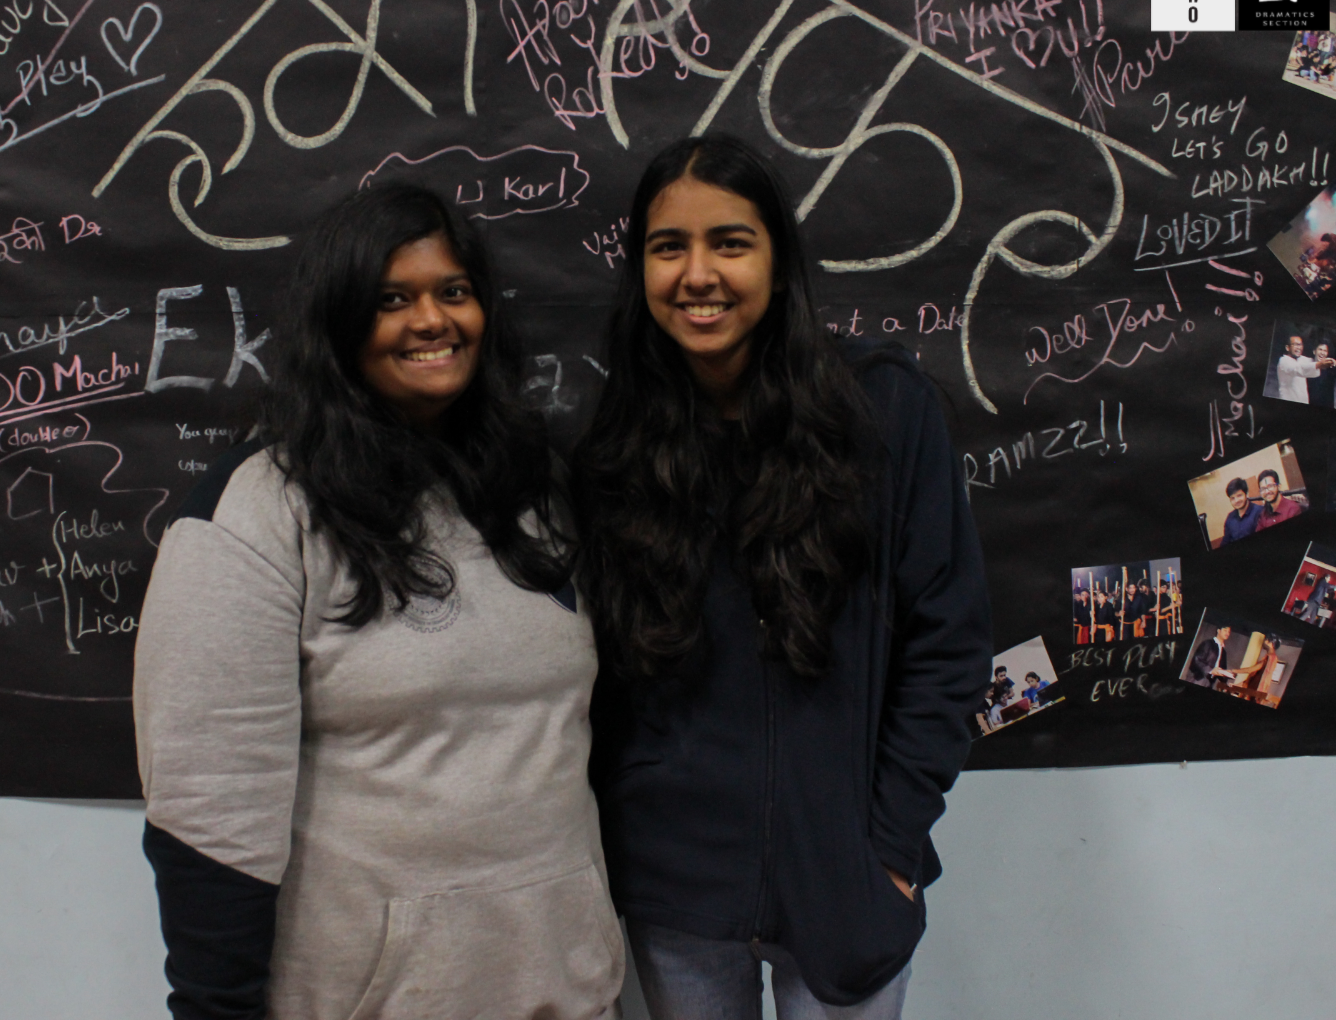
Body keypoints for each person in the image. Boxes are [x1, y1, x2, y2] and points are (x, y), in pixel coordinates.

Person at [132, 185, 623, 1020]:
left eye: (453, 291)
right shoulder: (255, 513)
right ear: (339, 322)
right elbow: (210, 807)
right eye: (392, 300)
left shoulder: (538, 490)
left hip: (566, 995)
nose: (432, 321)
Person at [575, 134, 991, 1018]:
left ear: (777, 258)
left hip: (846, 881)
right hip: (677, 890)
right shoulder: (615, 448)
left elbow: (948, 642)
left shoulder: (883, 410)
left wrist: (891, 847)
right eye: (668, 247)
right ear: (640, 268)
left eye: (730, 243)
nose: (698, 275)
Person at [1273, 334, 1332, 403]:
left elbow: (1313, 363)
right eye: (1296, 345)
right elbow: (1298, 369)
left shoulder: (1302, 359)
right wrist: (1319, 364)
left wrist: (1326, 358)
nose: (1299, 347)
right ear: (1287, 348)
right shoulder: (1283, 361)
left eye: (1300, 345)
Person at [1183, 625, 1232, 689]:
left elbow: (1223, 669)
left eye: (1229, 632)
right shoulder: (1208, 643)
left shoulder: (1224, 652)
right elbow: (1197, 660)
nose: (1227, 633)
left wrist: (1227, 681)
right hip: (1199, 678)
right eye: (1225, 630)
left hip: (1210, 683)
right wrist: (1211, 670)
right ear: (1219, 630)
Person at [1220, 476, 1263, 545]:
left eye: (1239, 495)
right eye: (1232, 498)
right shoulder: (1230, 517)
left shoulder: (1260, 511)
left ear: (1246, 494)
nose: (1236, 500)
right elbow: (1225, 542)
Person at [1309, 342, 1336, 408]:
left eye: (1325, 351)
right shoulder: (1308, 367)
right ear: (1314, 351)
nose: (1322, 353)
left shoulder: (1331, 370)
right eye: (1320, 349)